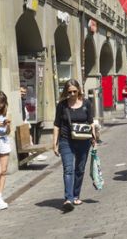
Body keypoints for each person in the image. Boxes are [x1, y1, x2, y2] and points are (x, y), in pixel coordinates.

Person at [52, 80, 95, 211]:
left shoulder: (86, 103)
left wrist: (94, 139)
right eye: (69, 92)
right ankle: (68, 199)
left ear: (79, 90)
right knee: (68, 169)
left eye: (74, 91)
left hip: (84, 140)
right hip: (66, 140)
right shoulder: (62, 106)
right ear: (66, 92)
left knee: (80, 169)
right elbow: (56, 125)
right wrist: (54, 143)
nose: (72, 94)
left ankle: (76, 195)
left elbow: (91, 122)